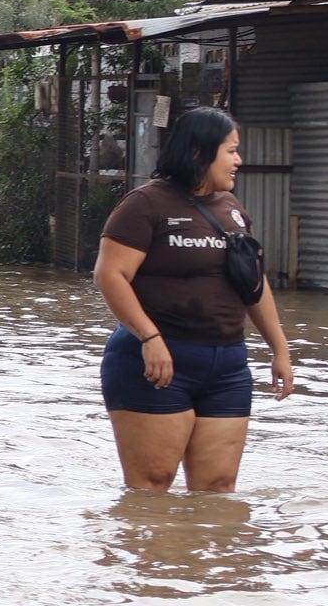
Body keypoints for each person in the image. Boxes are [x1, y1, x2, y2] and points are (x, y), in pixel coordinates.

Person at [93, 107, 294, 492]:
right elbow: (110, 275)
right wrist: (150, 339)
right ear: (200, 152)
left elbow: (254, 283)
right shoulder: (145, 205)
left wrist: (279, 348)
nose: (239, 160)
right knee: (152, 486)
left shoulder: (233, 211)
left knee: (218, 487)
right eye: (231, 151)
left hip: (227, 366)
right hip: (157, 362)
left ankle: (199, 554)